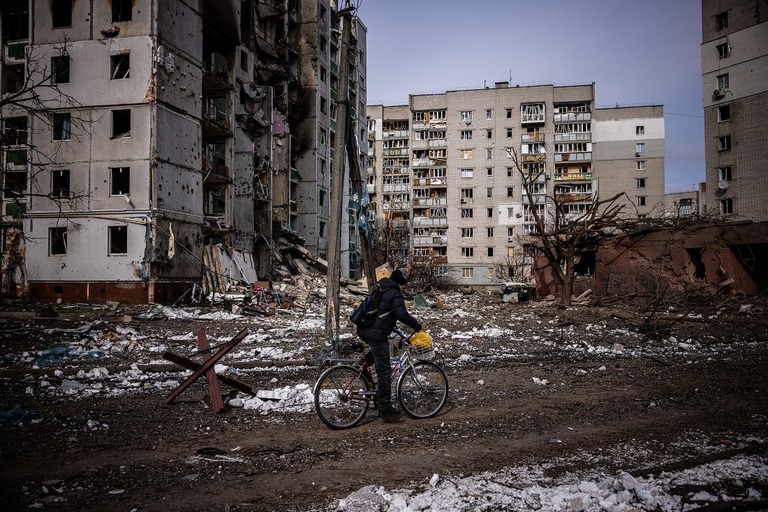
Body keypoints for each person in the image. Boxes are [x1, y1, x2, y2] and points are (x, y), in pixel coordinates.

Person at [357, 268, 422, 422]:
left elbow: (382, 313)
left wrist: (393, 328)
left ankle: (364, 367)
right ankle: (385, 407)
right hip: (376, 334)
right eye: (403, 285)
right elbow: (401, 314)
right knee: (384, 370)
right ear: (399, 283)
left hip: (365, 329)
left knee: (378, 354)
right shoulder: (395, 293)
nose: (403, 288)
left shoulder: (381, 288)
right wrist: (416, 325)